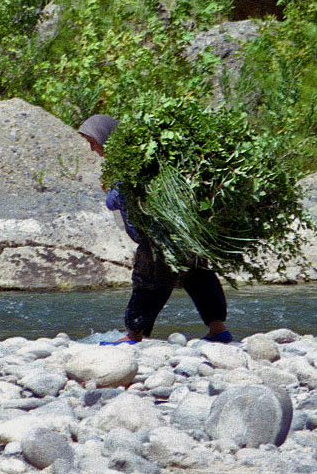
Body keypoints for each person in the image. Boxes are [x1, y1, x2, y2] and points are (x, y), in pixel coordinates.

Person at [77, 114, 233, 345]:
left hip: (157, 238)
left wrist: (110, 190)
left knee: (147, 283)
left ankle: (133, 335)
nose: (92, 149)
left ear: (105, 138)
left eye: (92, 142)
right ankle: (218, 329)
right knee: (198, 276)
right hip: (183, 234)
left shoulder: (129, 167)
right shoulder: (145, 160)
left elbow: (118, 201)